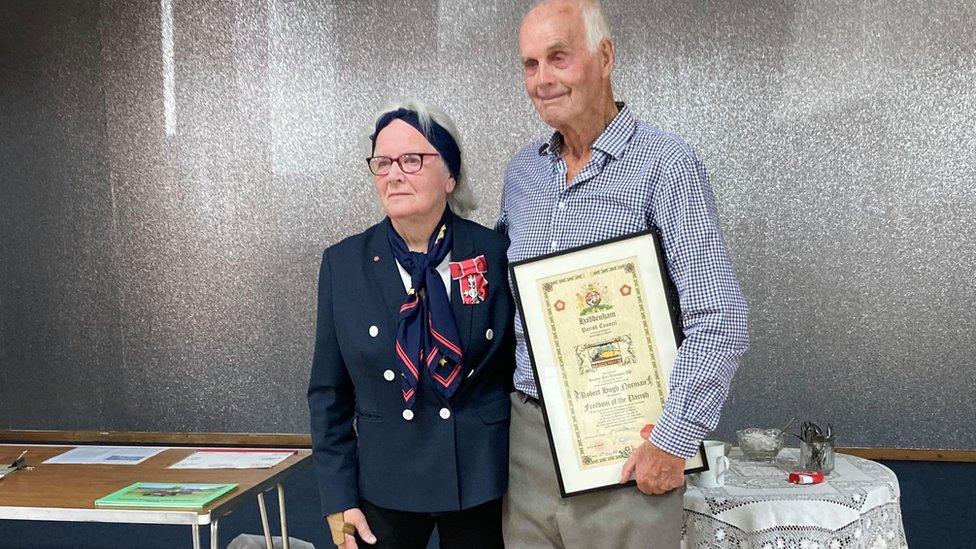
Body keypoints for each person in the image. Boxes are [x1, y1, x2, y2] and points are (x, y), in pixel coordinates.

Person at [496, 1, 749, 547]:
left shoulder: (667, 165)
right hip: (528, 450)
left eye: (558, 58)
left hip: (629, 455)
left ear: (605, 56)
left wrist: (674, 440)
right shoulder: (521, 176)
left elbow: (720, 317)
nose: (542, 80)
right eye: (530, 64)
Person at [308, 98, 513, 549]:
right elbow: (329, 394)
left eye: (412, 159)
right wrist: (337, 499)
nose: (394, 174)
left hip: (482, 480)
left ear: (450, 175)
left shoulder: (496, 254)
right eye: (382, 162)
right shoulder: (343, 265)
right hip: (384, 486)